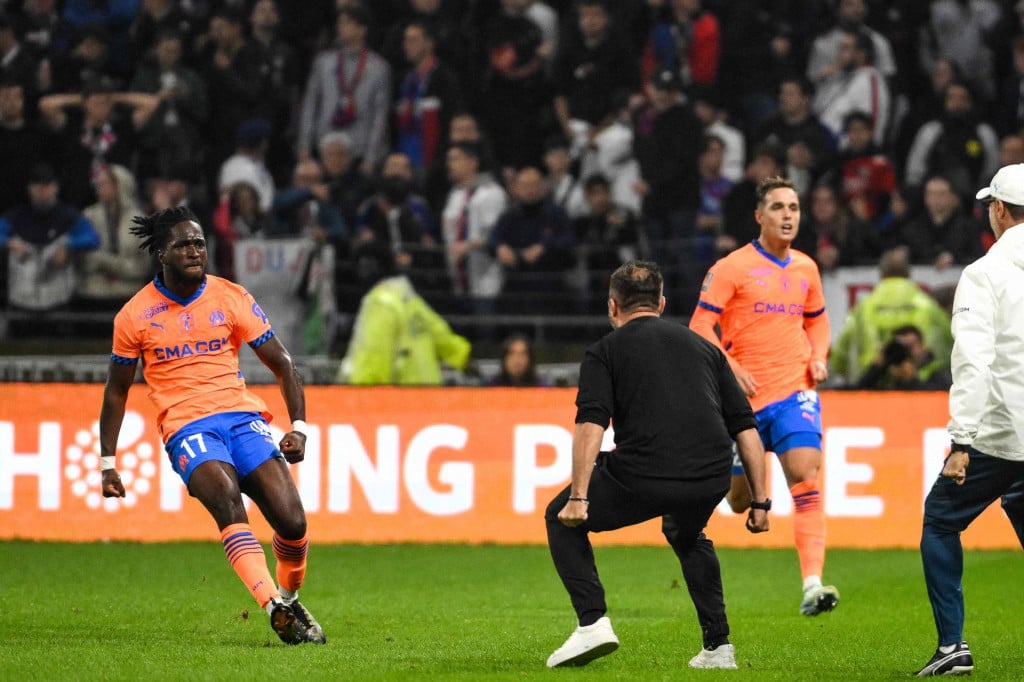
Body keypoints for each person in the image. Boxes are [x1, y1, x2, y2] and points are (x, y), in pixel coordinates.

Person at [97, 205, 326, 646]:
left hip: (241, 418)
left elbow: (283, 364)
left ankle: (289, 598)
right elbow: (116, 391)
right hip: (187, 426)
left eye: (199, 242)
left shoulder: (231, 297)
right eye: (183, 244)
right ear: (161, 253)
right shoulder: (133, 315)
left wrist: (298, 425)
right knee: (226, 503)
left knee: (293, 523)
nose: (194, 250)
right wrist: (108, 462)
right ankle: (271, 606)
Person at [544, 260, 770, 669]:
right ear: (662, 303)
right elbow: (746, 429)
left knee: (559, 519)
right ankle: (719, 648)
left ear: (613, 307)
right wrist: (761, 502)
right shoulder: (707, 350)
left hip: (645, 473)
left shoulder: (604, 351)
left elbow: (592, 421)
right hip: (710, 474)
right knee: (687, 533)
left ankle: (592, 623)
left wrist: (579, 497)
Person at [689, 176, 839, 616]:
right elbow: (699, 326)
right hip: (743, 402)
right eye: (778, 207)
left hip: (796, 391)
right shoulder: (731, 267)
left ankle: (812, 584)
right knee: (739, 503)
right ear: (759, 216)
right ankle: (750, 491)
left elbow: (818, 321)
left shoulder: (806, 268)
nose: (788, 215)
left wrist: (819, 356)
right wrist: (729, 368)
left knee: (805, 477)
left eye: (794, 207)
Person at [916, 163, 1024, 676]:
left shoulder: (984, 274)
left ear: (999, 210)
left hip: (1003, 435)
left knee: (940, 520)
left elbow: (973, 363)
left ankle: (951, 646)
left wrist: (961, 440)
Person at [338, 243, 472, 386]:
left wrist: (363, 394)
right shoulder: (408, 297)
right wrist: (462, 357)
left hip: (400, 396)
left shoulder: (380, 303)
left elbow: (374, 356)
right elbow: (439, 332)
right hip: (431, 394)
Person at [831, 247, 953, 387]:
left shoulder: (864, 308)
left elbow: (840, 354)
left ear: (882, 274)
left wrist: (860, 374)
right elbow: (950, 345)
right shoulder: (928, 306)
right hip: (921, 387)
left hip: (874, 385)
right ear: (908, 274)